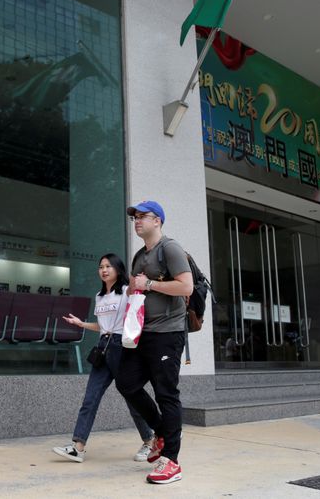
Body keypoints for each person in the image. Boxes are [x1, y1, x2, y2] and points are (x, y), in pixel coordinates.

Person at [116, 200, 193, 485]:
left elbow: (186, 286)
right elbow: (138, 288)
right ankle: (162, 431)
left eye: (142, 216)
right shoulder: (139, 255)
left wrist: (148, 284)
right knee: (126, 383)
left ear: (157, 221)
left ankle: (171, 460)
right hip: (142, 334)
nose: (136, 220)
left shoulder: (169, 249)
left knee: (166, 394)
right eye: (134, 217)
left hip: (168, 334)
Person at [52, 253, 155, 463]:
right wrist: (82, 324)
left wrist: (140, 281)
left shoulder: (126, 291)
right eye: (101, 267)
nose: (104, 270)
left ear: (118, 269)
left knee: (131, 397)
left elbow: (135, 307)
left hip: (121, 348)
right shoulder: (99, 296)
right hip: (103, 347)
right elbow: (102, 326)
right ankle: (78, 447)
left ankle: (149, 441)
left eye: (108, 266)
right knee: (90, 398)